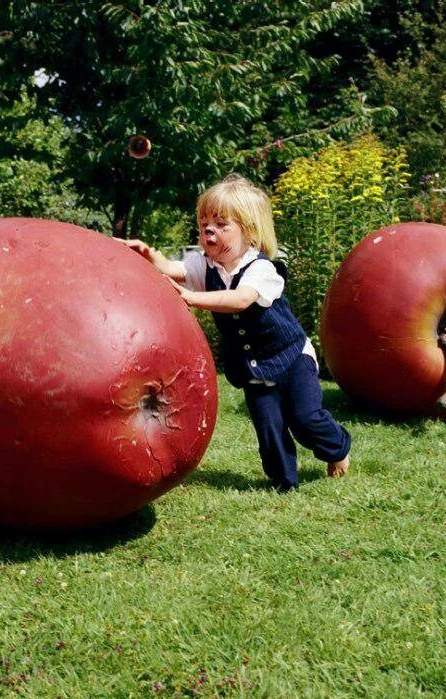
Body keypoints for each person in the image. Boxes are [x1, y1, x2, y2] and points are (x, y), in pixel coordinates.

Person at [119, 174, 350, 491]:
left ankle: (337, 448)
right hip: (252, 366)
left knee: (305, 417)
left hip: (293, 358)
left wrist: (192, 298)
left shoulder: (261, 268)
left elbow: (240, 299)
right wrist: (149, 255)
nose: (209, 231)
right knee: (269, 428)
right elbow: (174, 270)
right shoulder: (206, 266)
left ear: (250, 232)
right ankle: (284, 482)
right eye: (204, 225)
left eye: (221, 225)